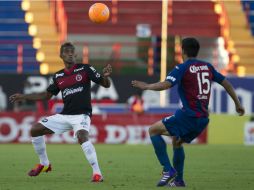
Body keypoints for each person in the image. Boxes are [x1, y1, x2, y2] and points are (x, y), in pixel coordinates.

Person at [131, 37, 245, 187]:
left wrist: (146, 86)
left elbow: (166, 84)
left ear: (182, 51)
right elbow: (227, 84)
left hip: (188, 115)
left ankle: (168, 170)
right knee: (177, 141)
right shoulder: (208, 67)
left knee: (153, 131)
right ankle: (179, 181)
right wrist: (238, 104)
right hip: (203, 119)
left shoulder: (182, 68)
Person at [9, 42, 112, 182]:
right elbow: (46, 96)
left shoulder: (85, 69)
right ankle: (44, 163)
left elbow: (105, 85)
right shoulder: (58, 76)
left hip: (81, 115)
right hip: (65, 115)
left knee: (82, 136)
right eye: (66, 52)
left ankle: (97, 173)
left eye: (72, 51)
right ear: (61, 56)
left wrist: (105, 76)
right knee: (35, 129)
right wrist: (23, 96)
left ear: (75, 54)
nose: (70, 53)